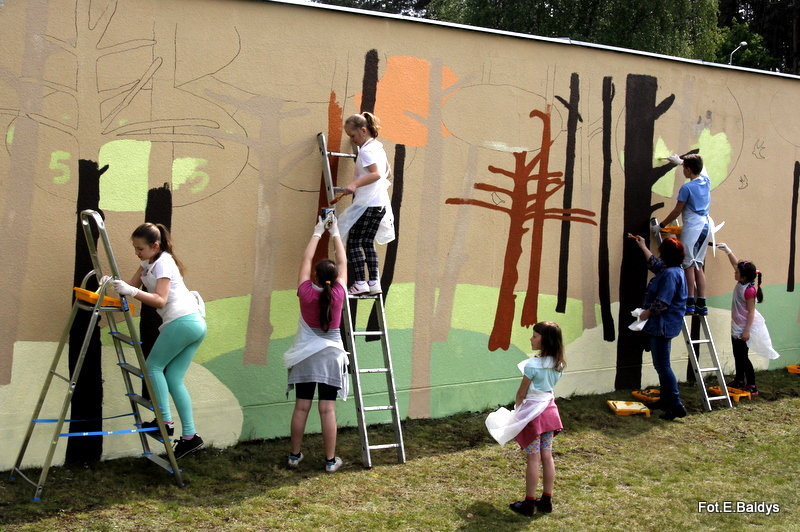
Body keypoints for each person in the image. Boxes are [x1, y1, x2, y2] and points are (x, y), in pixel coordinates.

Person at [111, 223, 207, 459]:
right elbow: (132, 286)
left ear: (155, 245)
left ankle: (164, 422)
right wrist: (120, 282)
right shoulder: (152, 262)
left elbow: (160, 300)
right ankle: (190, 437)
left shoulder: (163, 261)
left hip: (181, 321)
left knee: (153, 367)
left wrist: (130, 291)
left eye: (140, 249)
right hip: (194, 323)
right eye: (135, 248)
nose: (137, 252)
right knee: (173, 378)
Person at [283, 214, 349, 473]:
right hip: (331, 358)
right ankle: (330, 461)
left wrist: (318, 229)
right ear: (334, 278)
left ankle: (294, 456)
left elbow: (306, 259)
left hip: (305, 358)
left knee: (301, 406)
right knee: (327, 409)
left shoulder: (306, 292)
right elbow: (343, 261)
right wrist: (335, 232)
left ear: (316, 277)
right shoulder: (339, 293)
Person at [485, 321, 565, 516]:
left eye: (535, 336)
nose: (531, 338)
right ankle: (547, 499)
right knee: (547, 455)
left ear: (545, 341)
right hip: (550, 412)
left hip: (533, 415)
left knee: (533, 457)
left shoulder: (532, 365)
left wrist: (518, 412)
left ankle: (529, 503)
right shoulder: (559, 364)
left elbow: (521, 394)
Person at [336, 112, 395, 295]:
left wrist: (354, 184)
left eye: (352, 136)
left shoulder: (367, 150)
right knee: (367, 242)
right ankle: (374, 282)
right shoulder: (378, 147)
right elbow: (388, 173)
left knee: (353, 241)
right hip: (380, 204)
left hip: (368, 204)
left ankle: (361, 282)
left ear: (363, 130)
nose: (352, 140)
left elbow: (376, 174)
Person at [631, 234, 688, 421]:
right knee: (661, 364)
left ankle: (676, 405)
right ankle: (665, 400)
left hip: (663, 326)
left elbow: (662, 303)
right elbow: (655, 265)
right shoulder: (671, 269)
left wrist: (643, 315)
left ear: (667, 254)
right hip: (663, 325)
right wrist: (643, 246)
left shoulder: (671, 274)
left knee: (663, 366)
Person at [717, 243, 781, 395]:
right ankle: (739, 380)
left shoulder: (749, 290)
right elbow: (735, 263)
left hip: (744, 327)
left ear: (744, 276)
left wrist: (746, 331)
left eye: (737, 272)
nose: (734, 272)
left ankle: (752, 385)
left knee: (743, 356)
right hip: (736, 325)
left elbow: (751, 312)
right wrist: (728, 250)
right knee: (737, 354)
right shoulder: (742, 281)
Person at [658, 153, 713, 315]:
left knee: (688, 264)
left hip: (694, 227)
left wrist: (661, 225)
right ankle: (701, 304)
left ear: (688, 170)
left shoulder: (687, 188)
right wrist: (681, 161)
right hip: (706, 226)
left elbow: (677, 211)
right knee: (698, 265)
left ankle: (689, 301)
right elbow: (702, 169)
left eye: (684, 167)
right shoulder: (706, 181)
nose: (682, 169)